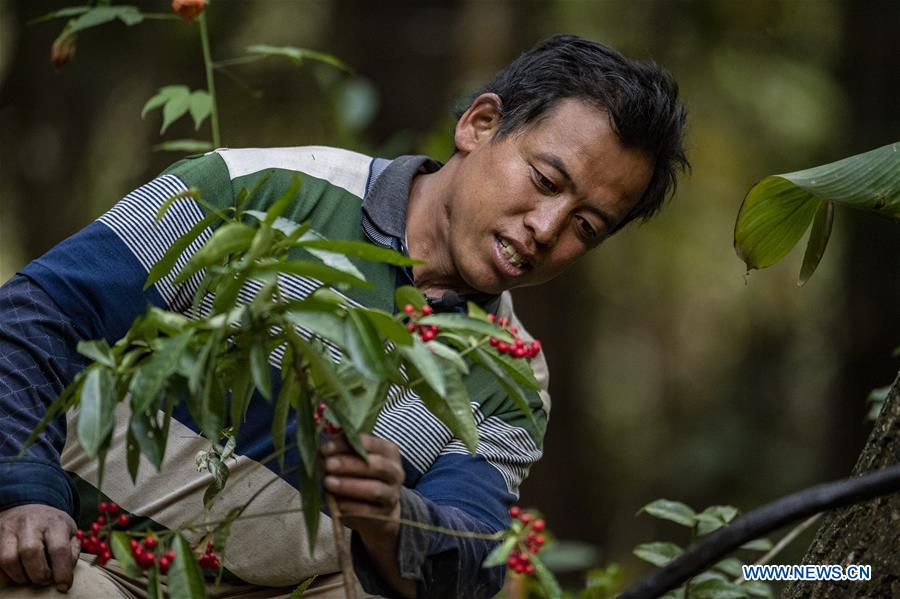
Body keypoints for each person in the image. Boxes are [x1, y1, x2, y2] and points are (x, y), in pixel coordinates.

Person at [0, 34, 687, 598]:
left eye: (587, 225)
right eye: (545, 180)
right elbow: (38, 314)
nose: (546, 227)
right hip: (75, 557)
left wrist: (391, 519)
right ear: (480, 125)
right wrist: (26, 490)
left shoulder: (507, 374)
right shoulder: (258, 190)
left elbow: (469, 554)